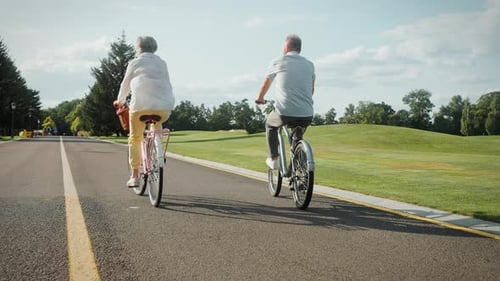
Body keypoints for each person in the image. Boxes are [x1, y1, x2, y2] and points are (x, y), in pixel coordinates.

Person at [114, 36, 175, 187]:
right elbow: (167, 82)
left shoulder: (135, 62)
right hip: (164, 106)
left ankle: (135, 176)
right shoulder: (162, 63)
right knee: (157, 125)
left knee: (135, 138)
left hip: (140, 107)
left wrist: (120, 100)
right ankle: (157, 150)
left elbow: (125, 84)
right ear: (155, 48)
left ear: (138, 48)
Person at [255, 34, 315, 170]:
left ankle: (274, 158)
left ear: (286, 46)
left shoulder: (278, 61)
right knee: (297, 139)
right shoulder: (310, 65)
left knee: (270, 124)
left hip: (285, 112)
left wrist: (260, 98)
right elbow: (311, 90)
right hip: (307, 113)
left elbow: (266, 84)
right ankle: (298, 170)